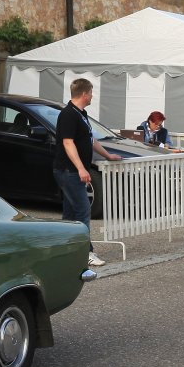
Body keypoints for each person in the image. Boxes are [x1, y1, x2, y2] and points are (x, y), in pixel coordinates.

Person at [52, 77, 120, 268]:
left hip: (72, 171)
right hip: (68, 171)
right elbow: (68, 143)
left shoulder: (81, 113)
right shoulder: (68, 115)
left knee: (70, 212)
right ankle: (85, 253)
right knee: (83, 210)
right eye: (90, 93)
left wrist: (107, 155)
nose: (91, 96)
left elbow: (90, 139)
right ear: (84, 94)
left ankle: (65, 250)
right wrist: (81, 168)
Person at [135, 110, 184, 206]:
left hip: (159, 157)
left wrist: (166, 145)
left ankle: (161, 198)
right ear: (150, 121)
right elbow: (138, 142)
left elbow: (169, 143)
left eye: (160, 124)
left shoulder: (163, 131)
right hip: (144, 157)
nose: (158, 126)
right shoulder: (140, 129)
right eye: (156, 124)